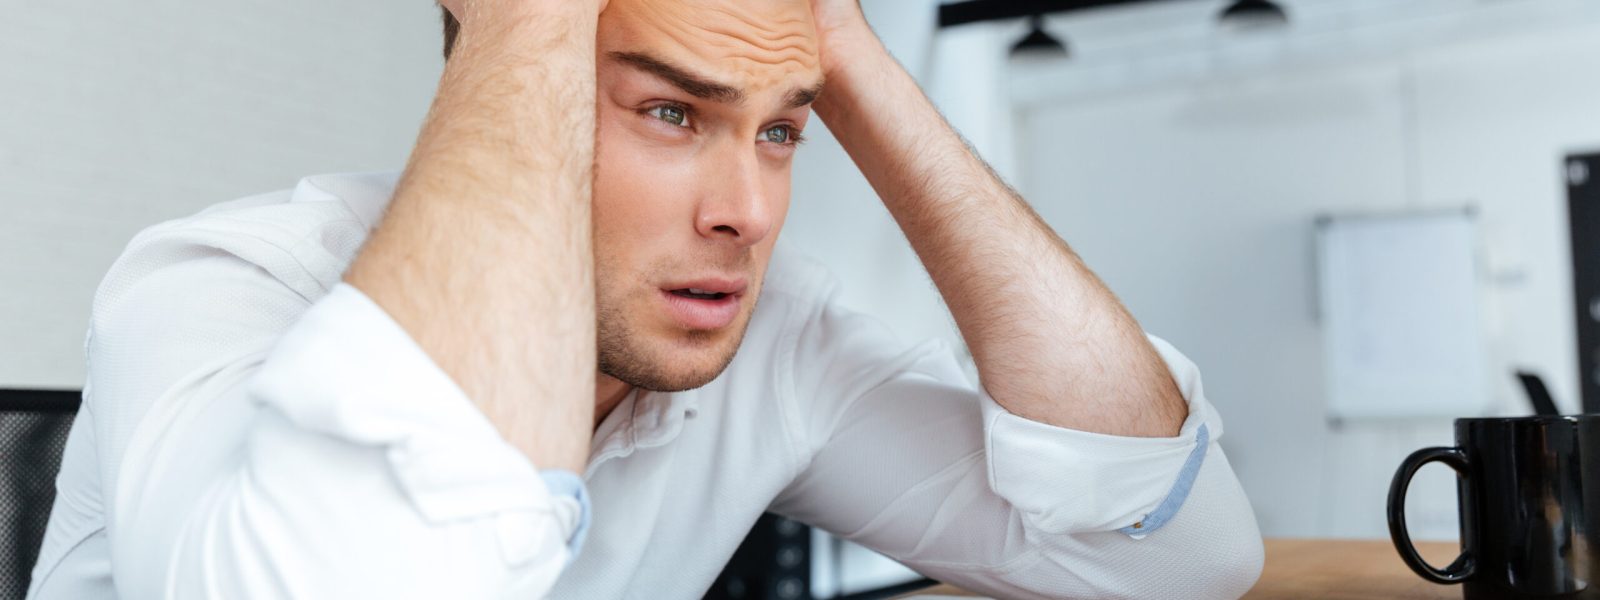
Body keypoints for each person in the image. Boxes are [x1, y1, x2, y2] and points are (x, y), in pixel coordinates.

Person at [28, 0, 1264, 597]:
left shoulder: (770, 348)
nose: (752, 211)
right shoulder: (215, 284)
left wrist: (849, 55)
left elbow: (1175, 555)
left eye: (783, 130)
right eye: (672, 112)